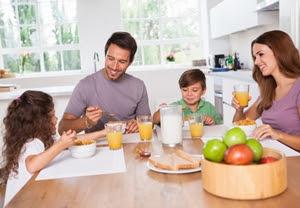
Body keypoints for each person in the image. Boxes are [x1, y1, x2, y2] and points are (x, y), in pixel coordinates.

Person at [58, 32, 151, 135]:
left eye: (122, 61)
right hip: (98, 147)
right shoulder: (85, 86)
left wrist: (137, 124)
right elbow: (62, 128)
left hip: (130, 145)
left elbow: (147, 123)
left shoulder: (138, 86)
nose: (114, 67)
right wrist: (86, 122)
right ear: (105, 55)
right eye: (110, 59)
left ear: (130, 61)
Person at [0, 91, 76, 206]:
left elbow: (75, 138)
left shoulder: (41, 137)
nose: (56, 119)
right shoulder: (31, 142)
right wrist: (61, 145)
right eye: (52, 116)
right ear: (39, 122)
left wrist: (104, 132)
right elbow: (32, 165)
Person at [232, 30, 300, 151]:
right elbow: (239, 126)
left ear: (279, 52)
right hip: (273, 155)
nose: (256, 62)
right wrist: (239, 109)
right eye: (255, 57)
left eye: (261, 54)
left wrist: (277, 135)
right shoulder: (269, 92)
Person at [153, 69, 223, 125]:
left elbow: (219, 125)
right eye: (185, 90)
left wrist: (212, 122)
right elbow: (154, 120)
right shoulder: (175, 107)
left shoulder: (209, 107)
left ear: (203, 91)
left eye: (194, 90)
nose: (189, 94)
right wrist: (162, 111)